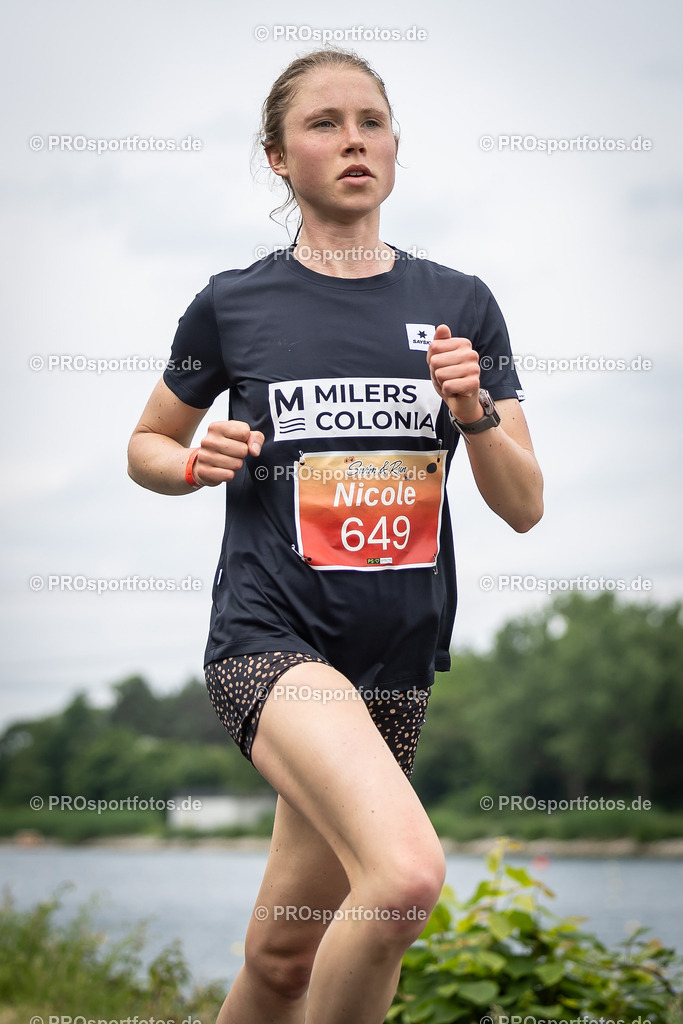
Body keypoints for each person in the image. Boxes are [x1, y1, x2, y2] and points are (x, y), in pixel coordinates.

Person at [127, 47, 543, 1024]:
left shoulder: (460, 304)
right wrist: (192, 462)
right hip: (270, 643)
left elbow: (522, 503)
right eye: (322, 123)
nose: (351, 139)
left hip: (392, 671)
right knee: (402, 877)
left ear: (394, 147)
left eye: (370, 120)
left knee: (281, 956)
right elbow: (147, 441)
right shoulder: (233, 303)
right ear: (276, 156)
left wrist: (474, 411)